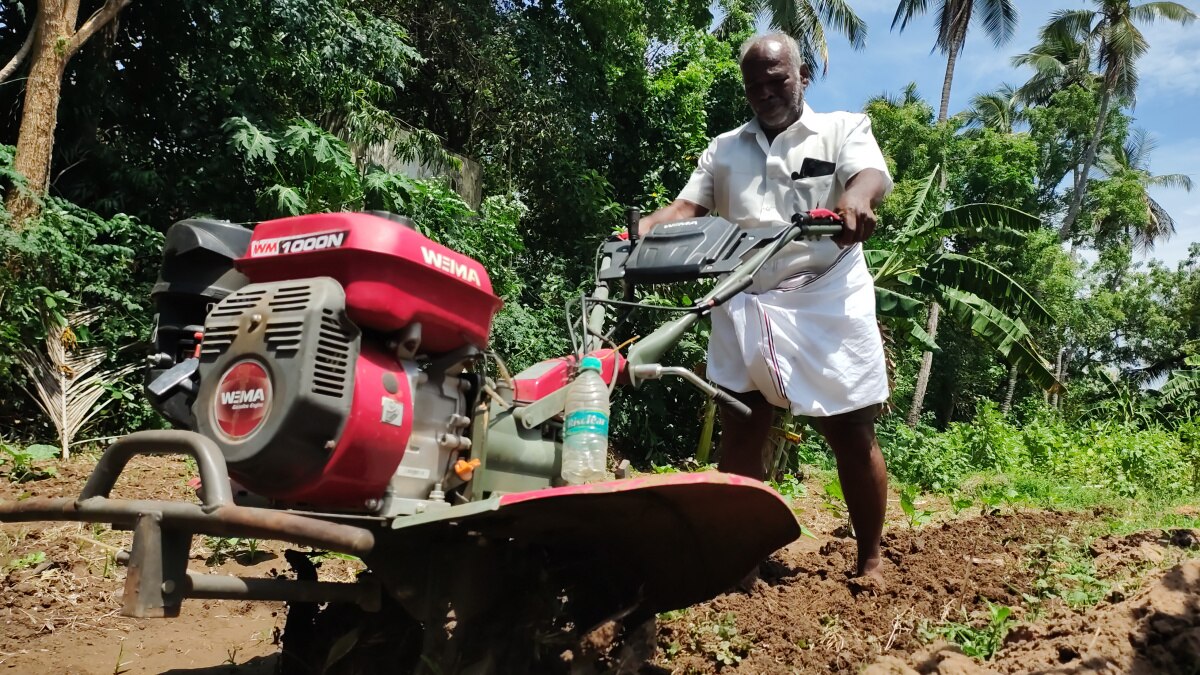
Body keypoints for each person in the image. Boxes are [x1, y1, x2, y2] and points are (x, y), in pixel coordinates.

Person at [637, 32, 892, 581]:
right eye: (754, 87)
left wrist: (856, 197)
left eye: (776, 81)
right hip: (745, 297)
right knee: (742, 430)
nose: (765, 93)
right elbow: (687, 206)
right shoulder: (725, 149)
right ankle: (743, 564)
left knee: (849, 431)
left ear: (803, 77)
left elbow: (869, 176)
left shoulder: (844, 128)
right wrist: (648, 229)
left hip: (825, 293)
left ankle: (870, 558)